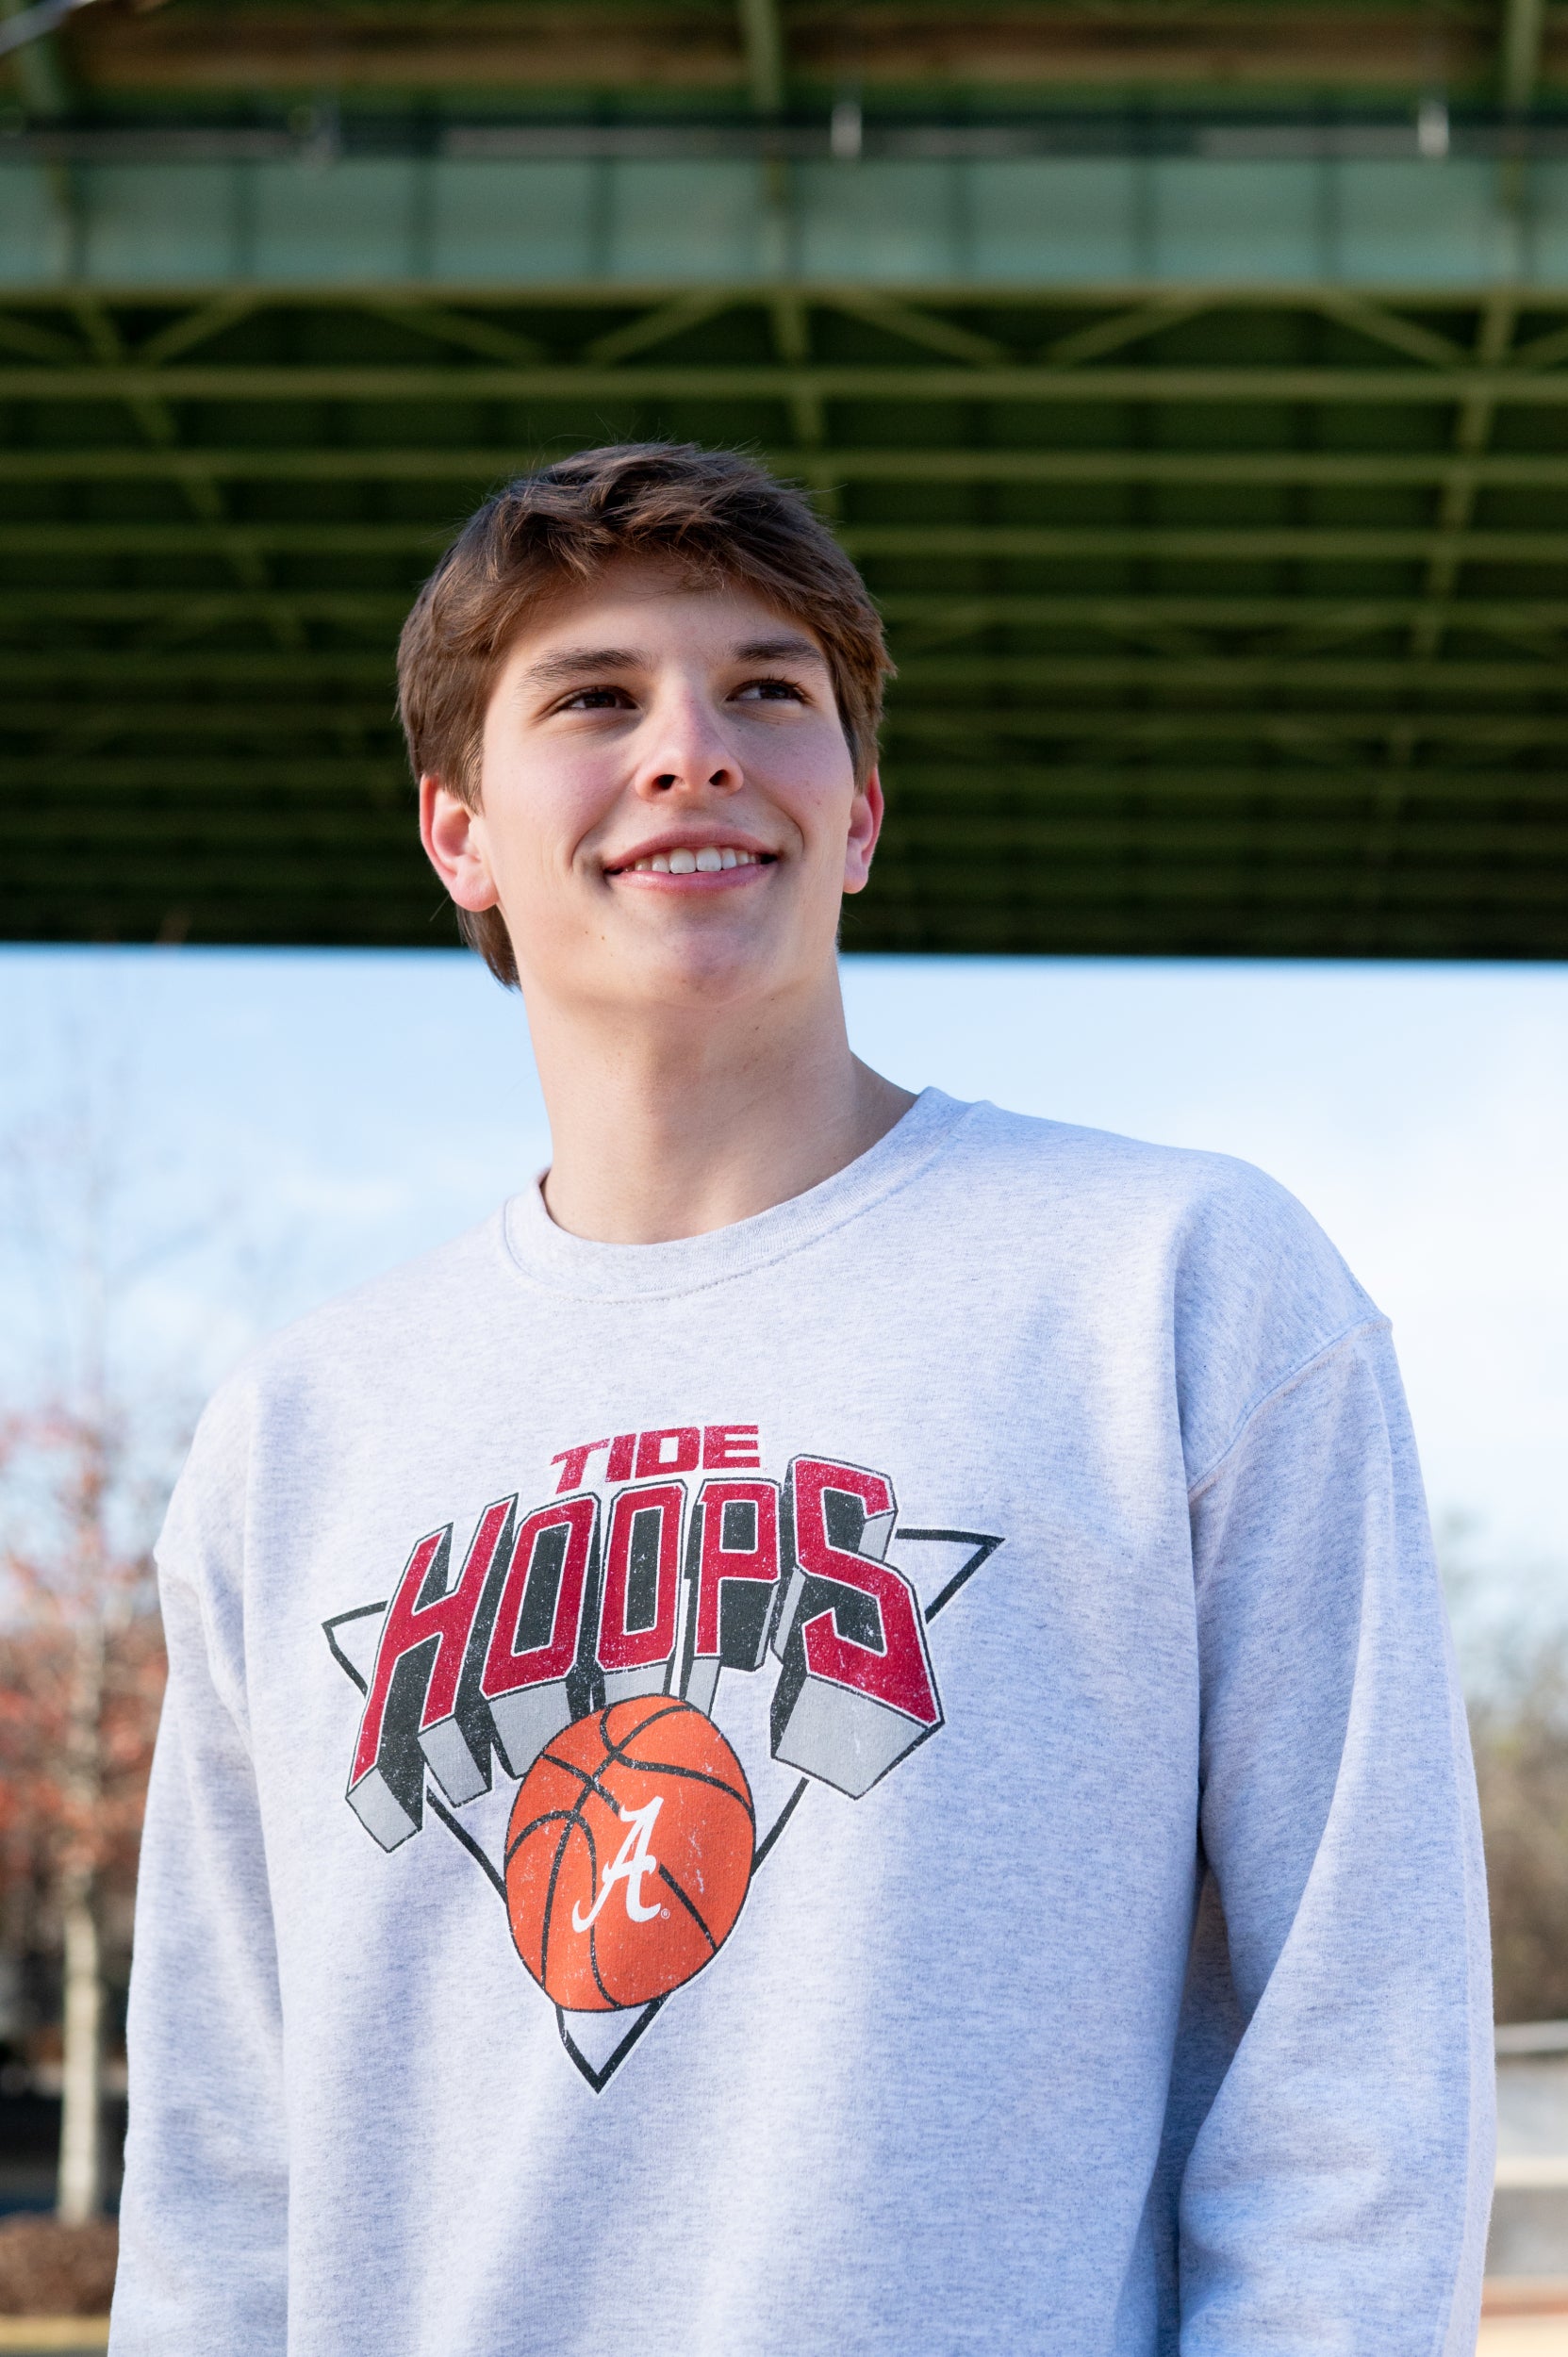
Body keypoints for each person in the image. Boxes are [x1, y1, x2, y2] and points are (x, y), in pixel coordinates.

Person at [111, 443, 1494, 2356]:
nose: (692, 749)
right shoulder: (296, 1434)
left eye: (767, 691)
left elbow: (1363, 2051)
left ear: (857, 815)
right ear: (458, 833)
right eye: (596, 699)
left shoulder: (1176, 1283)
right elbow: (221, 2168)